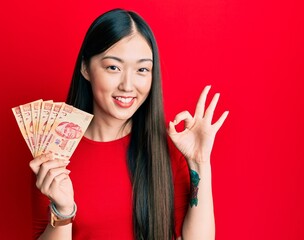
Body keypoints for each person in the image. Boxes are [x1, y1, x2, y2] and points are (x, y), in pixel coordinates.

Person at [29, 8, 229, 240]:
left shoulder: (168, 148)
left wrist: (199, 162)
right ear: (85, 68)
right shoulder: (54, 149)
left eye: (142, 69)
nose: (127, 85)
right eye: (113, 67)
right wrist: (63, 211)